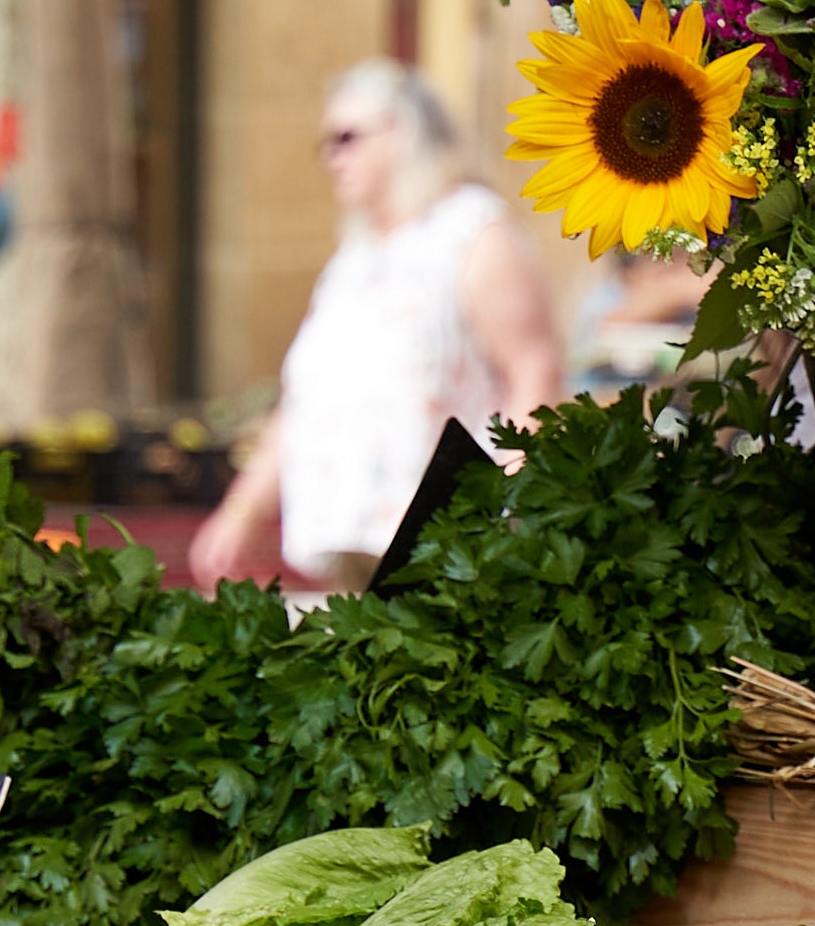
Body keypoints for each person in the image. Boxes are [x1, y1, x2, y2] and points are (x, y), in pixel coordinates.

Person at [191, 63, 564, 594]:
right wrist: (242, 509)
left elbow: (534, 372)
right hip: (351, 545)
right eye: (325, 143)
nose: (331, 158)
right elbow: (303, 401)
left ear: (404, 132)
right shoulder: (357, 256)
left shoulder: (471, 232)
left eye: (346, 138)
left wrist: (509, 505)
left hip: (448, 545)